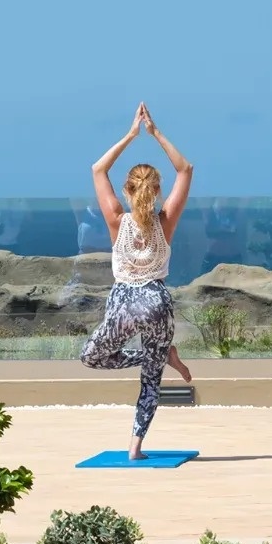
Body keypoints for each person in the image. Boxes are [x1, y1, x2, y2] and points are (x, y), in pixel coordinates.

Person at [80, 102, 194, 459]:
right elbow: (185, 169)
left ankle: (155, 356)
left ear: (128, 191)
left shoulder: (117, 219)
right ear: (156, 191)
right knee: (151, 379)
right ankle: (135, 446)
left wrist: (131, 135)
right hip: (158, 301)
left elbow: (99, 169)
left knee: (92, 357)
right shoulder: (166, 221)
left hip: (124, 302)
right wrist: (155, 132)